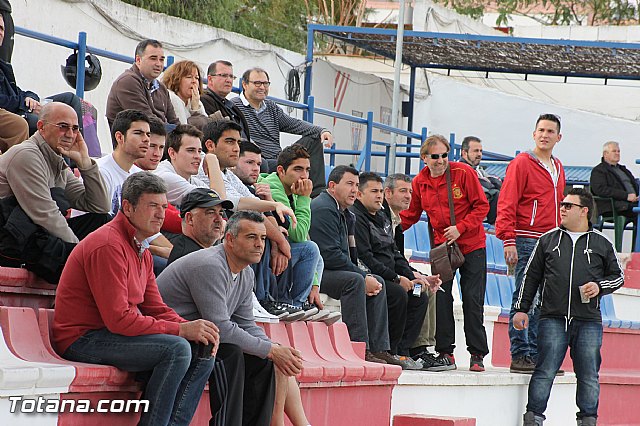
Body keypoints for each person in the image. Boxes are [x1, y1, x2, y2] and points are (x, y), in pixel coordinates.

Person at [53, 172, 219, 426]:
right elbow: (119, 320)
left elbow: (156, 308)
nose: (161, 214)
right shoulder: (109, 245)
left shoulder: (142, 249)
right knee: (176, 349)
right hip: (82, 338)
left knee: (202, 348)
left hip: (109, 334)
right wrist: (181, 329)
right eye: (152, 206)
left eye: (164, 207)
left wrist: (196, 330)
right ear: (128, 207)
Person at [158, 210, 309, 426]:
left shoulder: (246, 272)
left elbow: (246, 323)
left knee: (263, 361)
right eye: (251, 237)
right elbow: (222, 327)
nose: (260, 244)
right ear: (229, 239)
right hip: (172, 337)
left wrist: (272, 348)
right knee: (232, 353)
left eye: (263, 238)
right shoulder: (210, 265)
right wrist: (272, 350)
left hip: (203, 337)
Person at [515, 188, 623, 426]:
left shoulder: (603, 243)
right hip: (551, 318)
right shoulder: (547, 240)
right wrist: (521, 309)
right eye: (562, 204)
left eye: (568, 205)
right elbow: (530, 277)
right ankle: (533, 418)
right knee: (544, 370)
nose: (562, 208)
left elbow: (618, 277)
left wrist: (599, 286)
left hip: (588, 320)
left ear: (584, 211)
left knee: (588, 376)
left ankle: (587, 420)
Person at [199, 121, 307, 320]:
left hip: (226, 230)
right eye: (229, 142)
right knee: (252, 234)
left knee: (304, 248)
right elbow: (232, 202)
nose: (235, 148)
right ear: (210, 146)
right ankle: (260, 301)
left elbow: (259, 209)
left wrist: (276, 241)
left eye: (237, 142)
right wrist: (279, 238)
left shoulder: (227, 175)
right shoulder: (203, 168)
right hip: (211, 234)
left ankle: (287, 302)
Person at [401, 134, 490, 372]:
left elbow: (482, 206)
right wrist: (389, 226)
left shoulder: (463, 173)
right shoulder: (420, 182)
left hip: (472, 245)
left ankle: (477, 353)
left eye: (443, 155)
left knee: (472, 300)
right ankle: (445, 352)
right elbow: (411, 213)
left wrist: (460, 228)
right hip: (443, 249)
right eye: (434, 156)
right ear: (424, 158)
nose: (440, 161)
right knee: (441, 296)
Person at [311, 165, 413, 367]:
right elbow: (329, 255)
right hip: (317, 273)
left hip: (332, 269)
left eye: (356, 185)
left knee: (376, 282)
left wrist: (367, 276)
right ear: (332, 186)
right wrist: (361, 274)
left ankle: (379, 349)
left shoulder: (346, 213)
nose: (354, 190)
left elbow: (352, 253)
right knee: (355, 281)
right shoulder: (324, 207)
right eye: (349, 184)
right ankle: (359, 347)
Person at [0, 102, 110, 283]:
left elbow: (99, 205)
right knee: (92, 267)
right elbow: (46, 215)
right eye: (63, 127)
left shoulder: (56, 159)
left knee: (101, 221)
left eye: (75, 129)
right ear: (41, 127)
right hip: (11, 239)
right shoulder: (27, 154)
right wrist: (80, 255)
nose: (70, 134)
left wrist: (85, 164)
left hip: (36, 233)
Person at [495, 113, 566, 374]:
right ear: (533, 134)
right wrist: (508, 239)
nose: (545, 135)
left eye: (550, 131)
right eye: (541, 130)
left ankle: (536, 355)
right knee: (525, 296)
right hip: (525, 238)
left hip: (550, 242)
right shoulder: (522, 163)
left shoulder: (558, 166)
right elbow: (507, 201)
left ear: (559, 137)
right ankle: (520, 353)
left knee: (544, 300)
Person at [353, 172, 440, 367]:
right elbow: (366, 257)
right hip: (373, 275)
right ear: (360, 194)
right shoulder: (359, 218)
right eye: (374, 191)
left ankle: (405, 350)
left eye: (379, 192)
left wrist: (411, 276)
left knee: (419, 294)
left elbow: (396, 255)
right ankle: (389, 349)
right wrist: (397, 278)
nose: (378, 196)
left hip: (392, 274)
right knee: (399, 293)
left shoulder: (383, 219)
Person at [258, 143, 340, 323]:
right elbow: (298, 234)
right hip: (265, 253)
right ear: (281, 170)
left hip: (283, 252)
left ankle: (302, 302)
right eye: (298, 169)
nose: (304, 176)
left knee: (315, 252)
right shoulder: (271, 186)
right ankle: (294, 303)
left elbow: (303, 236)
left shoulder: (293, 189)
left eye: (307, 170)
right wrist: (304, 199)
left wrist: (315, 284)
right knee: (309, 249)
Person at [231, 67, 332, 197]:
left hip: (279, 156)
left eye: (265, 83)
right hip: (261, 159)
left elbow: (294, 124)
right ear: (244, 84)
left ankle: (317, 194)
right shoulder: (234, 106)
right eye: (257, 83)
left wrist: (321, 131)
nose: (262, 87)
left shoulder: (271, 107)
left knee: (314, 139)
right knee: (268, 163)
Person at [0, 15, 84, 136]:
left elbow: (17, 91)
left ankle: (79, 149)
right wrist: (25, 104)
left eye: (2, 28)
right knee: (49, 122)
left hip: (22, 107)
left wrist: (30, 98)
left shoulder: (3, 65)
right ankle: (66, 153)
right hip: (15, 113)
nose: (0, 32)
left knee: (70, 99)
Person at [383, 173, 437, 356]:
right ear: (387, 193)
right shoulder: (381, 219)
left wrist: (417, 275)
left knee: (426, 287)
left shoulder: (397, 222)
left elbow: (398, 257)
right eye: (403, 191)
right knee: (414, 293)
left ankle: (419, 349)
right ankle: (410, 349)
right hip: (382, 274)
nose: (408, 196)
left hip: (393, 271)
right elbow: (383, 258)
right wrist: (404, 277)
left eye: (410, 192)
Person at [106, 39, 179, 127]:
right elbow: (147, 121)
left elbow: (174, 121)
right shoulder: (127, 82)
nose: (159, 64)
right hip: (136, 138)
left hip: (158, 138)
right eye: (153, 58)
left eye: (161, 60)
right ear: (138, 60)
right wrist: (175, 132)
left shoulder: (162, 88)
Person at [154, 124, 225, 207]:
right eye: (191, 150)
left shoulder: (193, 180)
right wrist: (212, 160)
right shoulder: (165, 177)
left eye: (199, 151)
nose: (198, 157)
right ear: (172, 153)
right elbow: (219, 201)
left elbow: (219, 202)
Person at [166, 188, 232, 266]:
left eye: (220, 214)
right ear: (190, 219)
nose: (219, 220)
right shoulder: (192, 260)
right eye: (211, 213)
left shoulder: (201, 253)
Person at [201, 60, 251, 139]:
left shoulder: (231, 106)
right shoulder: (204, 100)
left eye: (231, 76)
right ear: (210, 79)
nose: (229, 80)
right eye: (224, 75)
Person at [590, 141, 638, 220]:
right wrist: (626, 196)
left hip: (632, 203)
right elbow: (600, 189)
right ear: (605, 154)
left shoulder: (623, 170)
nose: (617, 153)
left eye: (618, 151)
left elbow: (635, 184)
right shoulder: (599, 171)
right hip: (614, 206)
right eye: (614, 151)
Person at [459, 136, 502, 225]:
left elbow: (497, 182)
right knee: (496, 193)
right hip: (471, 221)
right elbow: (484, 187)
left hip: (483, 221)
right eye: (475, 151)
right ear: (464, 153)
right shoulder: (460, 171)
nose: (479, 154)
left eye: (480, 151)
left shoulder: (479, 170)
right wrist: (492, 187)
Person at [162, 60, 208, 125]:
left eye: (197, 78)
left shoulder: (195, 101)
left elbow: (208, 126)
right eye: (189, 77)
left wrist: (196, 108)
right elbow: (183, 127)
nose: (194, 81)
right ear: (176, 79)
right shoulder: (172, 97)